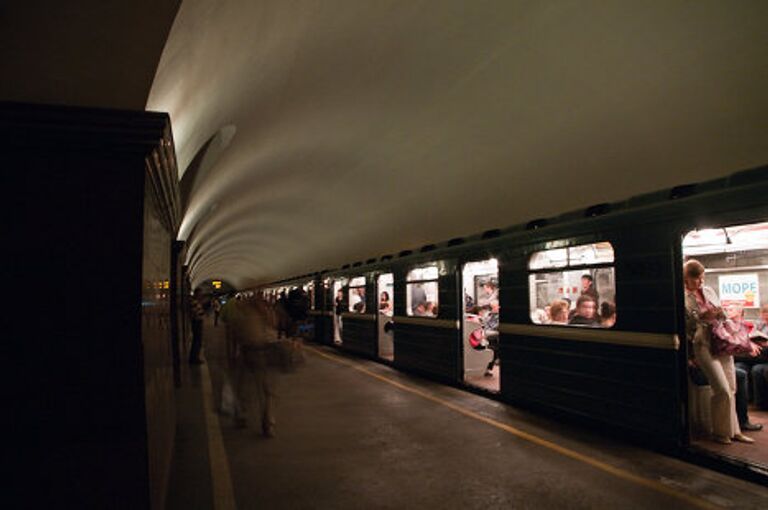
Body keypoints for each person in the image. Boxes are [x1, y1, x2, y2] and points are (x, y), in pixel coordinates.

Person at [684, 259, 758, 444]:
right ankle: (720, 432)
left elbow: (723, 316)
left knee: (732, 388)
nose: (700, 283)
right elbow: (685, 326)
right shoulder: (682, 297)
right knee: (722, 389)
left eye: (702, 278)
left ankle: (734, 431)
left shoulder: (709, 291)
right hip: (702, 344)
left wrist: (720, 313)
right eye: (696, 280)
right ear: (686, 278)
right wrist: (701, 318)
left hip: (721, 341)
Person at [231, 296, 278, 437]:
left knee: (248, 388)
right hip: (259, 353)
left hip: (252, 353)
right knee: (264, 391)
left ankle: (246, 417)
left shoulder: (243, 316)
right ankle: (266, 424)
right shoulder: (264, 314)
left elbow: (236, 335)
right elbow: (274, 328)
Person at [189, 289, 206, 364]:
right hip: (196, 322)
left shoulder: (196, 302)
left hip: (197, 322)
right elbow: (197, 313)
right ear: (197, 294)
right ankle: (194, 358)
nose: (201, 296)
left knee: (197, 340)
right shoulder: (194, 302)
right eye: (200, 294)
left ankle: (195, 357)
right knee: (197, 340)